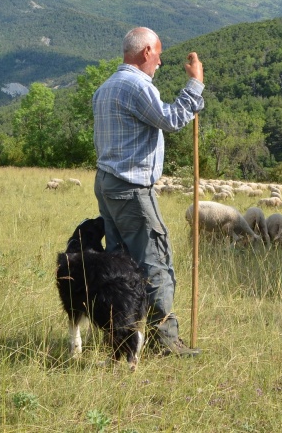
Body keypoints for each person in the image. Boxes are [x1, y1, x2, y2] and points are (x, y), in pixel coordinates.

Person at [92, 26, 204, 357]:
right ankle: (164, 343)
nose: (159, 62)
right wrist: (194, 84)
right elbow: (170, 119)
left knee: (120, 266)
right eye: (158, 55)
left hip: (108, 183)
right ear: (145, 53)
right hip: (131, 188)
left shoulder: (106, 87)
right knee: (155, 263)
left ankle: (121, 338)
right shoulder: (136, 85)